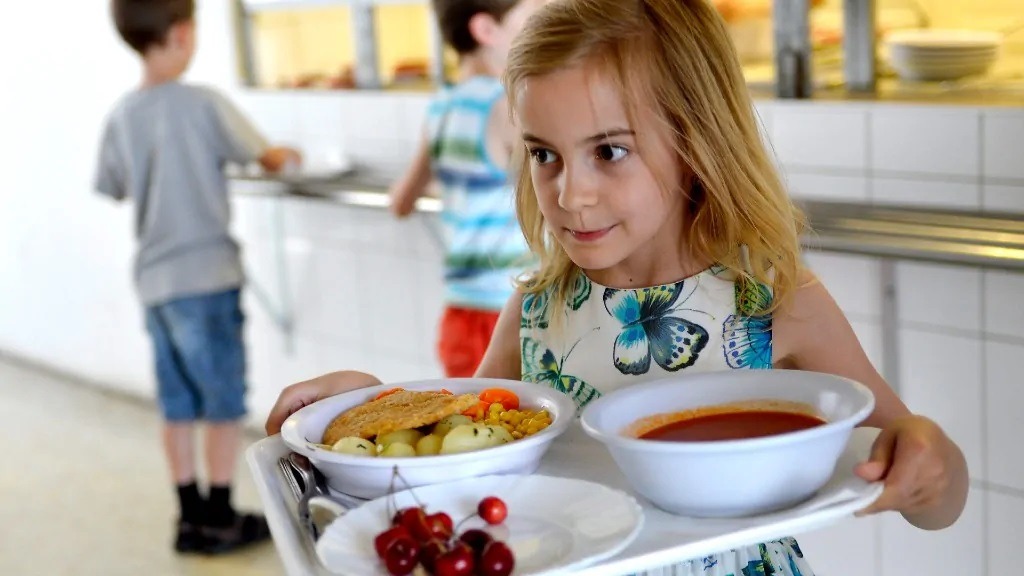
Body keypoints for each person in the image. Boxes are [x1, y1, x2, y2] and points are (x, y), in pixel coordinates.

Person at [266, 0, 969, 573]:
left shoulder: (775, 304)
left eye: (609, 151)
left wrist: (930, 463)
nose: (569, 194)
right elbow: (463, 468)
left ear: (696, 142)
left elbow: (933, 502)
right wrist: (374, 409)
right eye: (544, 154)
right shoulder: (534, 313)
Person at [94, 0, 300, 555]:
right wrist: (289, 155)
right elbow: (267, 157)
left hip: (155, 284)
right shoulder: (203, 103)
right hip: (206, 279)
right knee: (223, 403)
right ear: (183, 33)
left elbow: (112, 185)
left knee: (178, 404)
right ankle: (221, 514)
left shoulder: (121, 114)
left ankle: (188, 517)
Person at [388, 0, 545, 378]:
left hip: (459, 310)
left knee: (468, 413)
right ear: (486, 30)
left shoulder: (442, 105)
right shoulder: (507, 105)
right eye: (533, 19)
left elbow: (401, 202)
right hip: (510, 311)